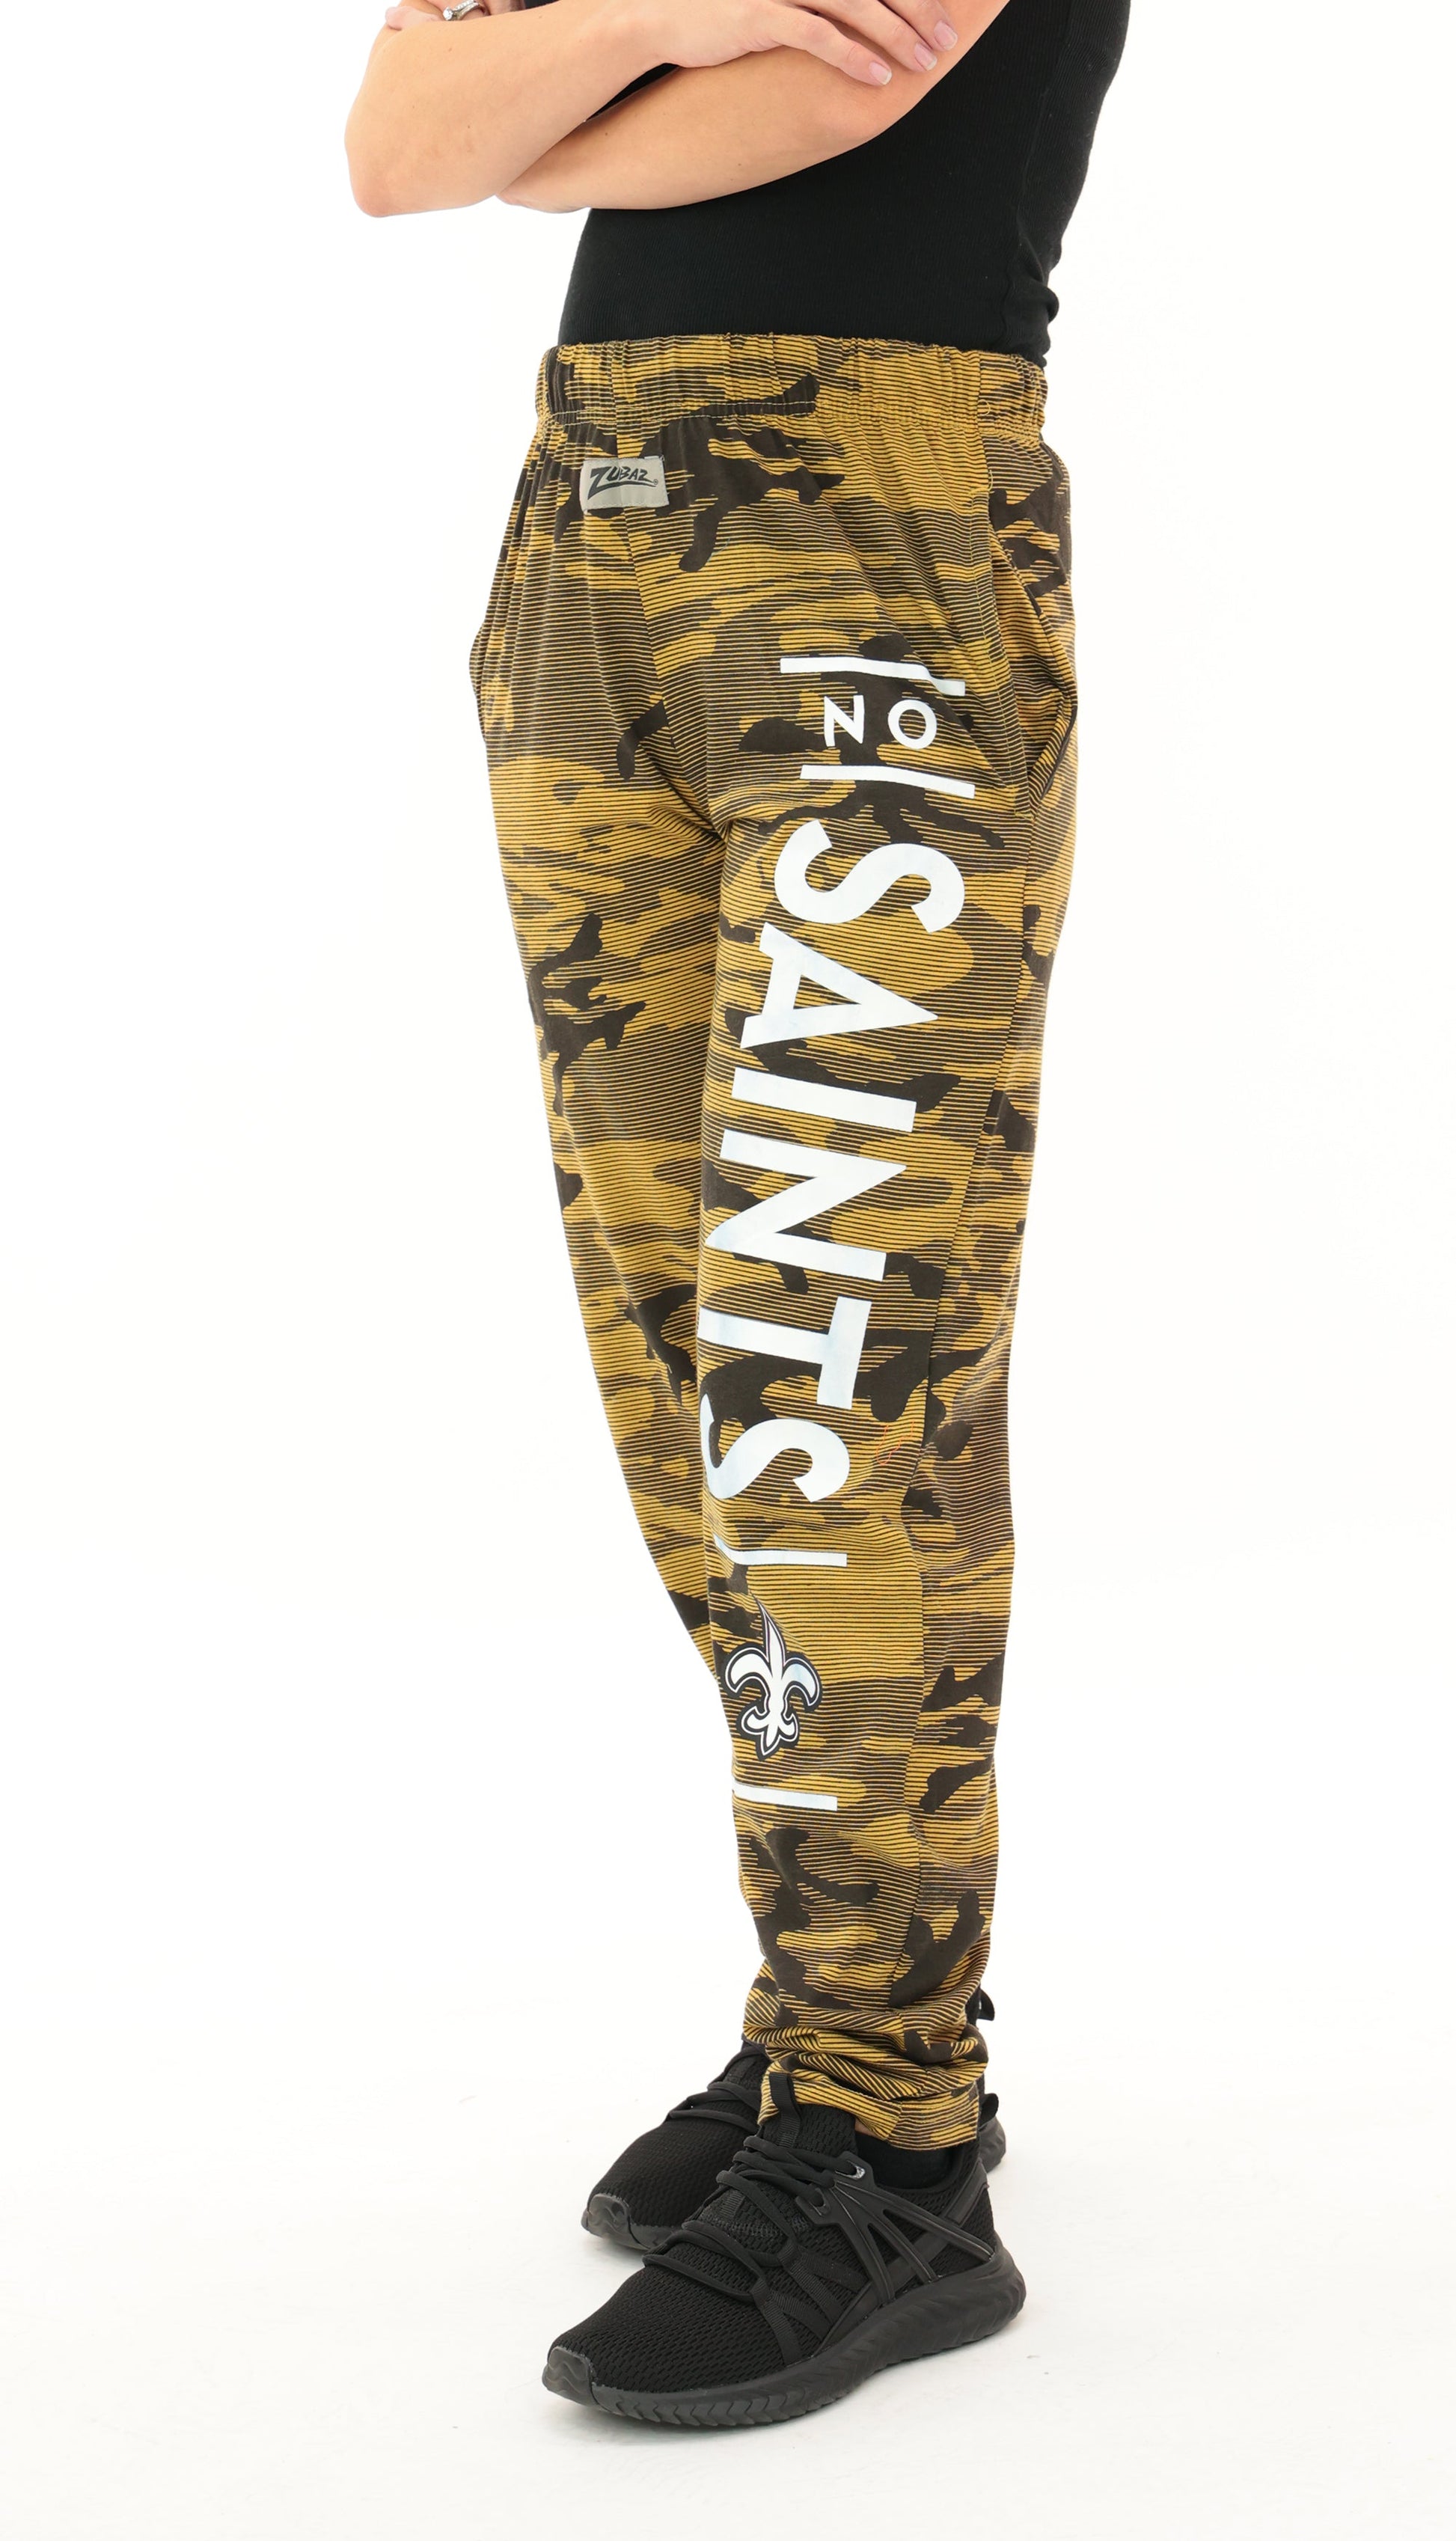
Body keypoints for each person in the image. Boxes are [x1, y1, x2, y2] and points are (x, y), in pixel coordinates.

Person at [346, 0, 1128, 2428]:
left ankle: (892, 2130)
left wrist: (560, 91)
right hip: (589, 531)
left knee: (830, 1360)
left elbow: (829, 93)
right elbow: (406, 143)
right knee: (683, 1343)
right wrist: (656, 24)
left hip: (875, 525)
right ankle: (829, 2015)